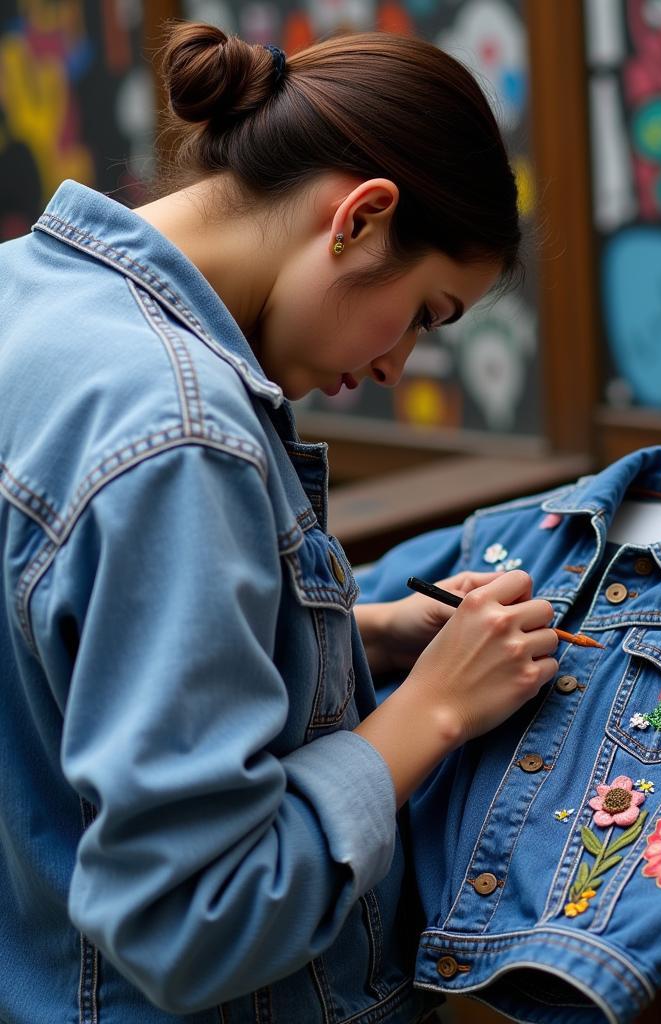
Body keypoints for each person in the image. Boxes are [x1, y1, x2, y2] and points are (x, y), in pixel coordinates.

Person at [0, 21, 560, 1023]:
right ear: (359, 218)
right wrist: (424, 715)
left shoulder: (24, 300)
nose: (397, 365)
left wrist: (367, 634)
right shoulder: (181, 436)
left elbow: (56, 679)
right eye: (427, 313)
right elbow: (194, 916)